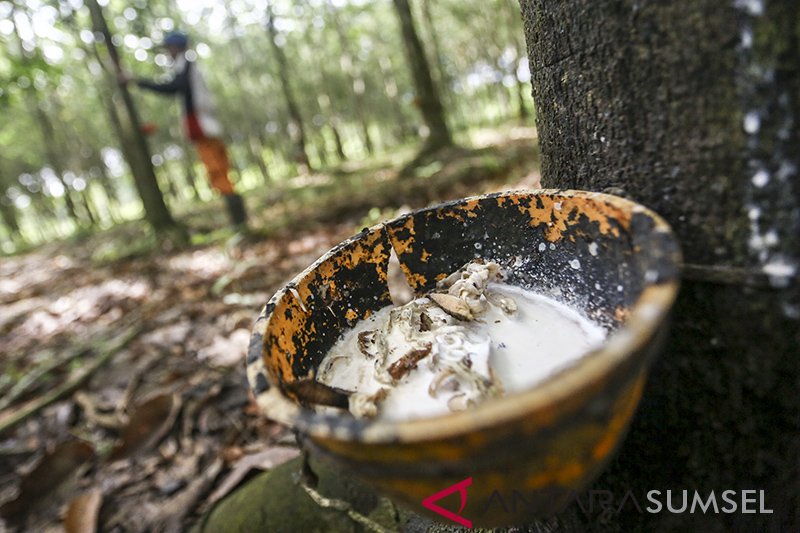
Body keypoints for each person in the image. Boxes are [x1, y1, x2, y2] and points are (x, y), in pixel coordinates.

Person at [121, 31, 248, 228]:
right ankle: (240, 220)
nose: (167, 53)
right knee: (220, 171)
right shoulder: (189, 67)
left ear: (177, 47)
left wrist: (138, 81)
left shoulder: (187, 66)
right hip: (207, 126)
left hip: (202, 126)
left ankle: (239, 222)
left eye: (168, 48)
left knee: (218, 172)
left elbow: (172, 87)